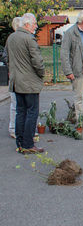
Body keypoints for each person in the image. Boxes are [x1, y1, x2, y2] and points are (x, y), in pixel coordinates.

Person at [5, 13, 45, 154]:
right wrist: (41, 74)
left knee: (20, 112)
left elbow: (7, 57)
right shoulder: (29, 39)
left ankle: (20, 142)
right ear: (27, 24)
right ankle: (28, 144)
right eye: (34, 24)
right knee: (31, 113)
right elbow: (37, 62)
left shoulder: (11, 37)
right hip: (29, 83)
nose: (36, 26)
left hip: (16, 82)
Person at [0, 17, 22, 138]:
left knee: (17, 104)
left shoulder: (12, 39)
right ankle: (14, 128)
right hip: (16, 76)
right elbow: (5, 56)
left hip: (16, 75)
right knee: (16, 104)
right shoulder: (13, 39)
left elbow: (5, 56)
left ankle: (15, 128)